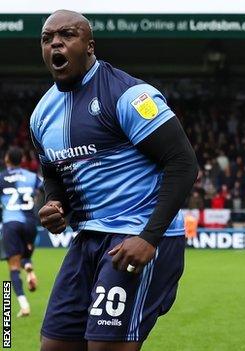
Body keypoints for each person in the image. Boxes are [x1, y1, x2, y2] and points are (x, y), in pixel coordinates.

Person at [31, 10, 198, 351]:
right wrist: (53, 202)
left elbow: (183, 163)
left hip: (136, 235)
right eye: (48, 39)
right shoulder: (41, 114)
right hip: (87, 238)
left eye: (67, 35)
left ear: (89, 46)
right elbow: (53, 170)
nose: (56, 43)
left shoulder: (129, 96)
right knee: (54, 346)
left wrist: (149, 237)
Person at [0, 147, 42, 317]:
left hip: (11, 222)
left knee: (13, 266)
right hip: (30, 223)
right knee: (25, 255)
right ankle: (29, 268)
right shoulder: (32, 176)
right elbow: (44, 188)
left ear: (7, 159)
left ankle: (24, 306)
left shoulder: (1, 177)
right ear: (23, 158)